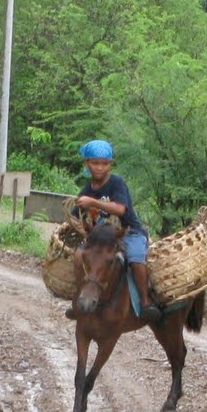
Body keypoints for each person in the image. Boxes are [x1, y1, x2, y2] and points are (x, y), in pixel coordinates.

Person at [69, 139, 160, 324]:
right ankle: (78, 298)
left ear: (110, 165)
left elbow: (120, 209)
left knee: (135, 259)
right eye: (95, 163)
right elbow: (74, 215)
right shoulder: (88, 188)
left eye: (104, 163)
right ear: (87, 163)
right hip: (103, 238)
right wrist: (78, 224)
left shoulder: (116, 183)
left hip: (129, 232)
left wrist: (92, 202)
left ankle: (144, 302)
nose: (100, 168)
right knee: (80, 256)